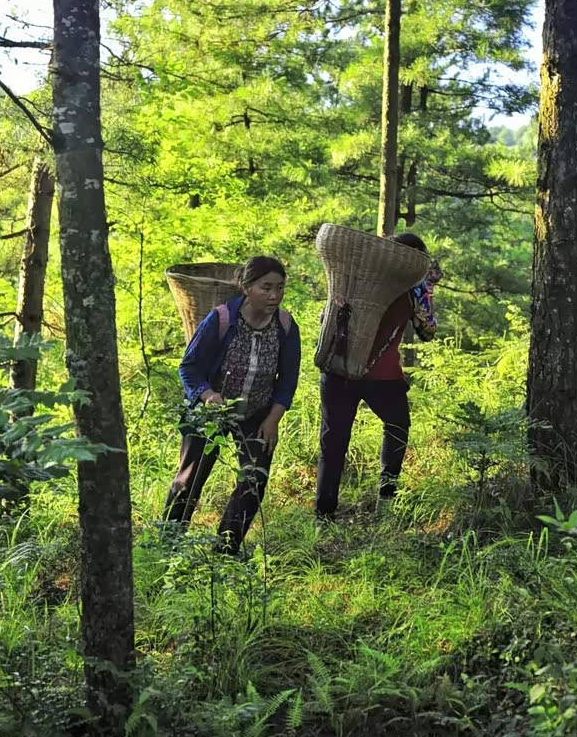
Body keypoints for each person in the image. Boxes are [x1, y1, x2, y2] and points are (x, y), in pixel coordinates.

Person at [163, 255, 301, 553]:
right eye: (266, 287)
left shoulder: (286, 326)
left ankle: (226, 547)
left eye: (280, 287)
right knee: (190, 478)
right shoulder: (222, 319)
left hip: (256, 413)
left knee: (254, 479)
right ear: (247, 288)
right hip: (211, 410)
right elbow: (189, 367)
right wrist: (208, 394)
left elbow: (288, 380)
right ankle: (168, 545)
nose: (274, 295)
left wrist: (272, 420)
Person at [315, 233, 440, 522]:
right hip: (382, 376)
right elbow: (427, 332)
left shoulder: (354, 278)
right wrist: (429, 288)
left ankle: (323, 513)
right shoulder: (413, 290)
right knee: (397, 426)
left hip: (338, 368)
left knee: (333, 440)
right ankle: (387, 494)